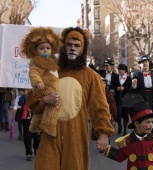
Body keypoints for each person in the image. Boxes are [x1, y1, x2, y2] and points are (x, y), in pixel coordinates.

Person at [26, 27, 115, 170]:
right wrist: (44, 100)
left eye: (77, 45)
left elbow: (100, 107)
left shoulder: (91, 76)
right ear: (63, 46)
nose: (72, 48)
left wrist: (103, 133)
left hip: (76, 137)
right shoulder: (49, 70)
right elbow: (31, 99)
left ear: (82, 49)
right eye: (69, 44)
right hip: (50, 133)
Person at [105, 101, 153, 170]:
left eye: (152, 122)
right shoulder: (127, 141)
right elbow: (120, 157)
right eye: (148, 122)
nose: (151, 125)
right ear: (136, 123)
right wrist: (107, 149)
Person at [21, 27, 62, 136]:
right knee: (56, 104)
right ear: (36, 50)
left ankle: (35, 125)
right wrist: (37, 82)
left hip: (48, 87)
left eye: (48, 48)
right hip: (44, 87)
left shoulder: (51, 60)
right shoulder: (37, 60)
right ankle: (48, 125)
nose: (45, 50)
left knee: (42, 110)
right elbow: (33, 72)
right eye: (42, 48)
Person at [18, 89, 41, 161]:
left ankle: (36, 149)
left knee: (37, 138)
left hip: (37, 120)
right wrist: (23, 95)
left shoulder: (39, 96)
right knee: (27, 138)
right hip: (27, 120)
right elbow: (20, 103)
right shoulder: (24, 97)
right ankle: (28, 153)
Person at [111, 64, 132, 136]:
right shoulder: (116, 77)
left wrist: (124, 88)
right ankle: (120, 126)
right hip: (117, 98)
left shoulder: (129, 78)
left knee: (125, 114)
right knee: (118, 113)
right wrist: (117, 88)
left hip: (126, 99)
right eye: (119, 69)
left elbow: (131, 88)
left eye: (121, 69)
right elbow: (112, 86)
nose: (119, 71)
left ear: (125, 71)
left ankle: (125, 129)